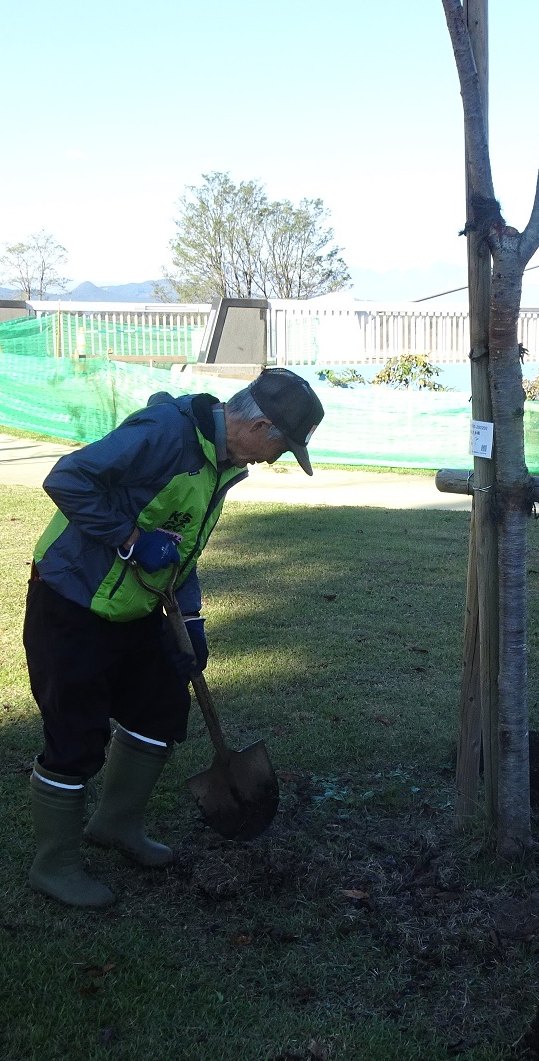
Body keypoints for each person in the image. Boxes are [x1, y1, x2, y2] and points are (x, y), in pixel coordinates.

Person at [23, 368, 325, 907]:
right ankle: (56, 865)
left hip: (142, 608)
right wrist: (131, 539)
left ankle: (116, 824)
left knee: (160, 714)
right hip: (73, 600)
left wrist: (190, 620)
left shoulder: (223, 464)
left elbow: (181, 548)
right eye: (282, 447)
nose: (275, 460)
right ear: (258, 425)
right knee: (76, 737)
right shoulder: (165, 434)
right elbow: (67, 478)